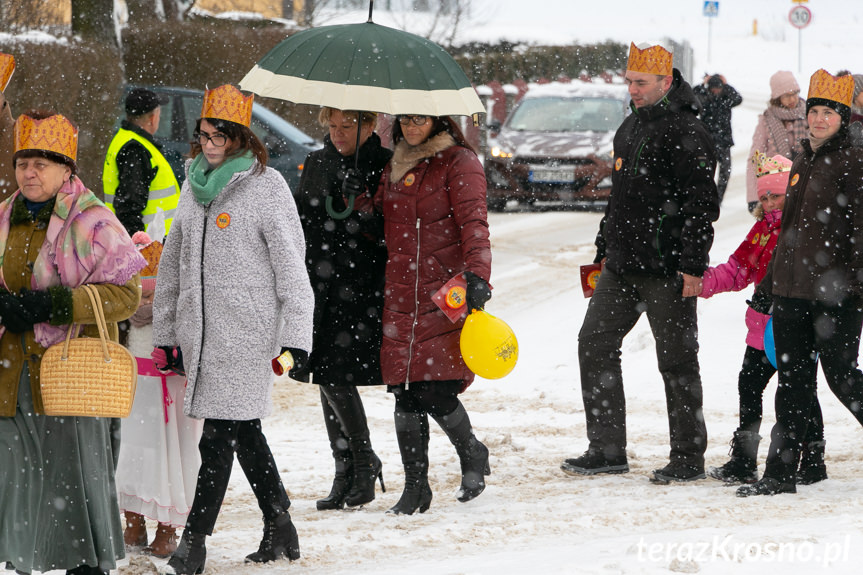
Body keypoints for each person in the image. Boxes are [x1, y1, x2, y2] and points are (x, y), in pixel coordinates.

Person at [152, 84, 314, 573]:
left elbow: (292, 267)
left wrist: (296, 337)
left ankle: (193, 544)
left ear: (242, 136)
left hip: (247, 333)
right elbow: (174, 264)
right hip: (199, 333)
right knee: (243, 431)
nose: (209, 143)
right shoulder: (192, 182)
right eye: (203, 134)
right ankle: (280, 522)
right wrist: (165, 332)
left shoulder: (267, 187)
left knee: (218, 437)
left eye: (220, 134)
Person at [560, 42, 720, 484]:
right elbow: (621, 197)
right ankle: (607, 448)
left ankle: (688, 457)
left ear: (667, 82)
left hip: (668, 270)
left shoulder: (689, 131)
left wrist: (692, 264)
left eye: (641, 82)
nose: (632, 89)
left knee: (677, 362)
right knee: (593, 343)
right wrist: (603, 245)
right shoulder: (630, 126)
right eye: (629, 81)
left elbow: (701, 205)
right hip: (621, 265)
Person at [0, 110, 145, 575]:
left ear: (67, 170)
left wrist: (56, 306)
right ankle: (24, 561)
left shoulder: (94, 221)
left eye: (42, 164)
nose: (29, 173)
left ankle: (85, 567)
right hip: (9, 376)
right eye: (24, 162)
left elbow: (126, 293)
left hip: (68, 379)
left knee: (73, 482)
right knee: (15, 481)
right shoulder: (4, 216)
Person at [738, 70, 863, 497]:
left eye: (828, 112)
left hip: (836, 294)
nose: (819, 119)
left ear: (843, 118)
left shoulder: (855, 161)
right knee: (792, 383)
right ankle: (779, 474)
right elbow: (787, 229)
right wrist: (771, 283)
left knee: (842, 378)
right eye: (814, 111)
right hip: (791, 292)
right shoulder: (801, 157)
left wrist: (854, 285)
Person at [374, 113, 493, 515]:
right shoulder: (395, 162)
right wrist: (358, 197)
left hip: (445, 291)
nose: (411, 127)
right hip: (400, 291)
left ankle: (472, 452)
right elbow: (381, 217)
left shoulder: (459, 161)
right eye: (405, 119)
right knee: (405, 392)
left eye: (420, 119)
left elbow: (474, 221)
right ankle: (415, 489)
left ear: (438, 120)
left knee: (436, 389)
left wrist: (478, 274)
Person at [699, 152, 826, 485]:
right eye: (765, 196)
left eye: (776, 195)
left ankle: (812, 458)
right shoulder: (761, 231)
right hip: (762, 326)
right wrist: (704, 283)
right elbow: (739, 269)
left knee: (800, 391)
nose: (770, 203)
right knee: (749, 385)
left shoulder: (805, 227)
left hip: (796, 323)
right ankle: (743, 459)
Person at [292, 107, 392, 510]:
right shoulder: (317, 162)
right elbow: (302, 221)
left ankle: (363, 464)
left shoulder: (385, 163)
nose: (337, 134)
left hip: (361, 286)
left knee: (335, 373)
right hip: (320, 283)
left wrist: (361, 203)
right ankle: (347, 466)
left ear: (369, 126)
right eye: (332, 126)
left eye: (347, 126)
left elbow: (389, 226)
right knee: (323, 374)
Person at [115, 230, 203, 557]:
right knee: (134, 448)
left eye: (152, 298)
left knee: (172, 449)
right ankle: (134, 519)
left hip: (172, 373)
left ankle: (168, 526)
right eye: (143, 296)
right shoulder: (127, 308)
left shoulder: (183, 285)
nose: (146, 304)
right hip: (135, 374)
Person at [103, 87, 181, 236]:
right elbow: (129, 206)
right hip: (150, 242)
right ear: (152, 118)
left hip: (150, 240)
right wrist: (139, 246)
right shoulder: (135, 149)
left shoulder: (126, 140)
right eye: (159, 114)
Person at [745, 71, 808, 212]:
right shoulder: (767, 120)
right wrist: (753, 197)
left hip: (804, 185)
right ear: (777, 97)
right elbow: (755, 159)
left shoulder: (809, 114)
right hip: (776, 190)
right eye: (787, 95)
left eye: (795, 93)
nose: (792, 99)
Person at [693, 73, 742, 203]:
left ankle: (718, 198)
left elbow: (738, 98)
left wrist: (726, 85)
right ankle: (706, 197)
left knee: (725, 171)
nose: (716, 91)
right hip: (707, 141)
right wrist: (704, 86)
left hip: (724, 141)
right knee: (705, 171)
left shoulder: (726, 97)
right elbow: (692, 97)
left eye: (719, 87)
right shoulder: (704, 97)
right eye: (713, 87)